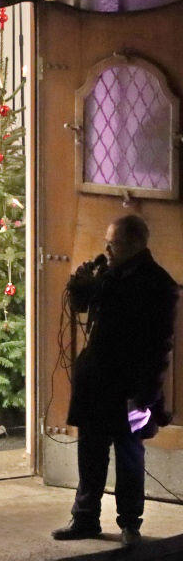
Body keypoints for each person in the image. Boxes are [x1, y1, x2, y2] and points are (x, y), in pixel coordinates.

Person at [52, 215, 178, 548]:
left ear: (136, 245)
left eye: (115, 244)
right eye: (107, 242)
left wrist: (146, 396)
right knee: (90, 453)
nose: (107, 249)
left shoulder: (158, 284)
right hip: (96, 378)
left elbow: (160, 346)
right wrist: (80, 285)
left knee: (129, 455)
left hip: (131, 384)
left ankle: (130, 524)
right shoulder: (107, 273)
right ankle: (85, 518)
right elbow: (82, 308)